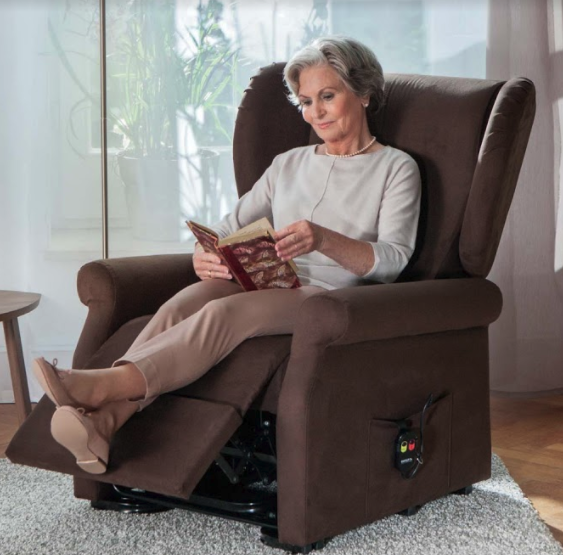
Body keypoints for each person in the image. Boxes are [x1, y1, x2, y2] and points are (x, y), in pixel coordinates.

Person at [33, 36, 421, 475]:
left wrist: (322, 239)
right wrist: (205, 254)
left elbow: (394, 259)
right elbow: (226, 226)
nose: (316, 113)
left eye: (327, 97)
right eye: (306, 102)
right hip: (273, 284)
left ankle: (102, 385)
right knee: (182, 304)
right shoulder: (288, 164)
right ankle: (106, 422)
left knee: (225, 314)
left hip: (332, 299)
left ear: (364, 92)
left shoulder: (396, 168)